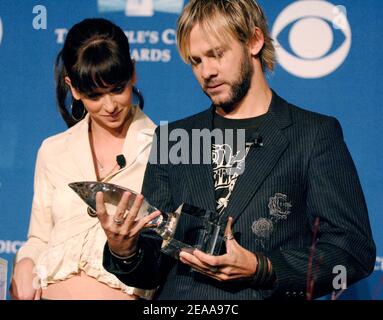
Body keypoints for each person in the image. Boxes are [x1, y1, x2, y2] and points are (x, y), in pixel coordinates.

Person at [99, 0, 376, 299]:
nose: (207, 72)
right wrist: (125, 250)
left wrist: (264, 267)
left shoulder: (313, 135)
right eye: (196, 61)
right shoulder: (172, 138)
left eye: (217, 54)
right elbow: (152, 267)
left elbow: (351, 252)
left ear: (254, 41)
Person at [10, 18, 157, 300]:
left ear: (133, 73)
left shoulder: (165, 149)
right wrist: (25, 264)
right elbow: (39, 238)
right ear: (73, 88)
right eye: (94, 95)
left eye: (117, 88)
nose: (110, 105)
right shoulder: (53, 151)